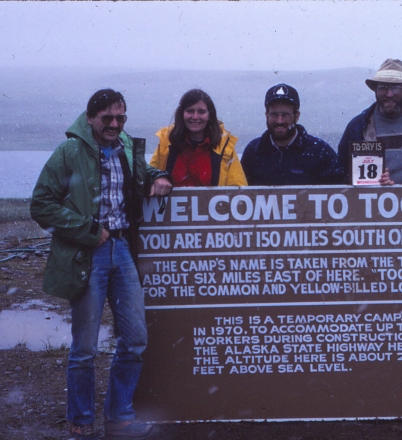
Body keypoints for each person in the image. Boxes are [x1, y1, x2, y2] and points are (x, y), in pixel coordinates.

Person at [30, 89, 172, 439]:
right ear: (90, 117)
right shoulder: (69, 152)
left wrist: (156, 177)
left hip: (122, 250)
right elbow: (41, 205)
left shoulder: (125, 146)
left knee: (135, 338)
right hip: (87, 254)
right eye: (106, 117)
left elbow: (142, 172)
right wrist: (88, 230)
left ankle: (119, 416)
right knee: (84, 348)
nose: (113, 124)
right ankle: (80, 420)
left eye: (120, 118)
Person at [241, 83, 345, 185]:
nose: (279, 121)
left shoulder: (319, 151)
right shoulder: (253, 152)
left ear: (296, 116)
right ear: (266, 115)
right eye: (274, 115)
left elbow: (341, 192)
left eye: (286, 115)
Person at [150, 89, 247, 187]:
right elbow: (148, 178)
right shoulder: (166, 145)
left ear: (209, 115)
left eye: (201, 112)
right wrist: (156, 179)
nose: (195, 117)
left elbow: (238, 191)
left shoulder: (225, 149)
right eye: (190, 111)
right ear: (181, 114)